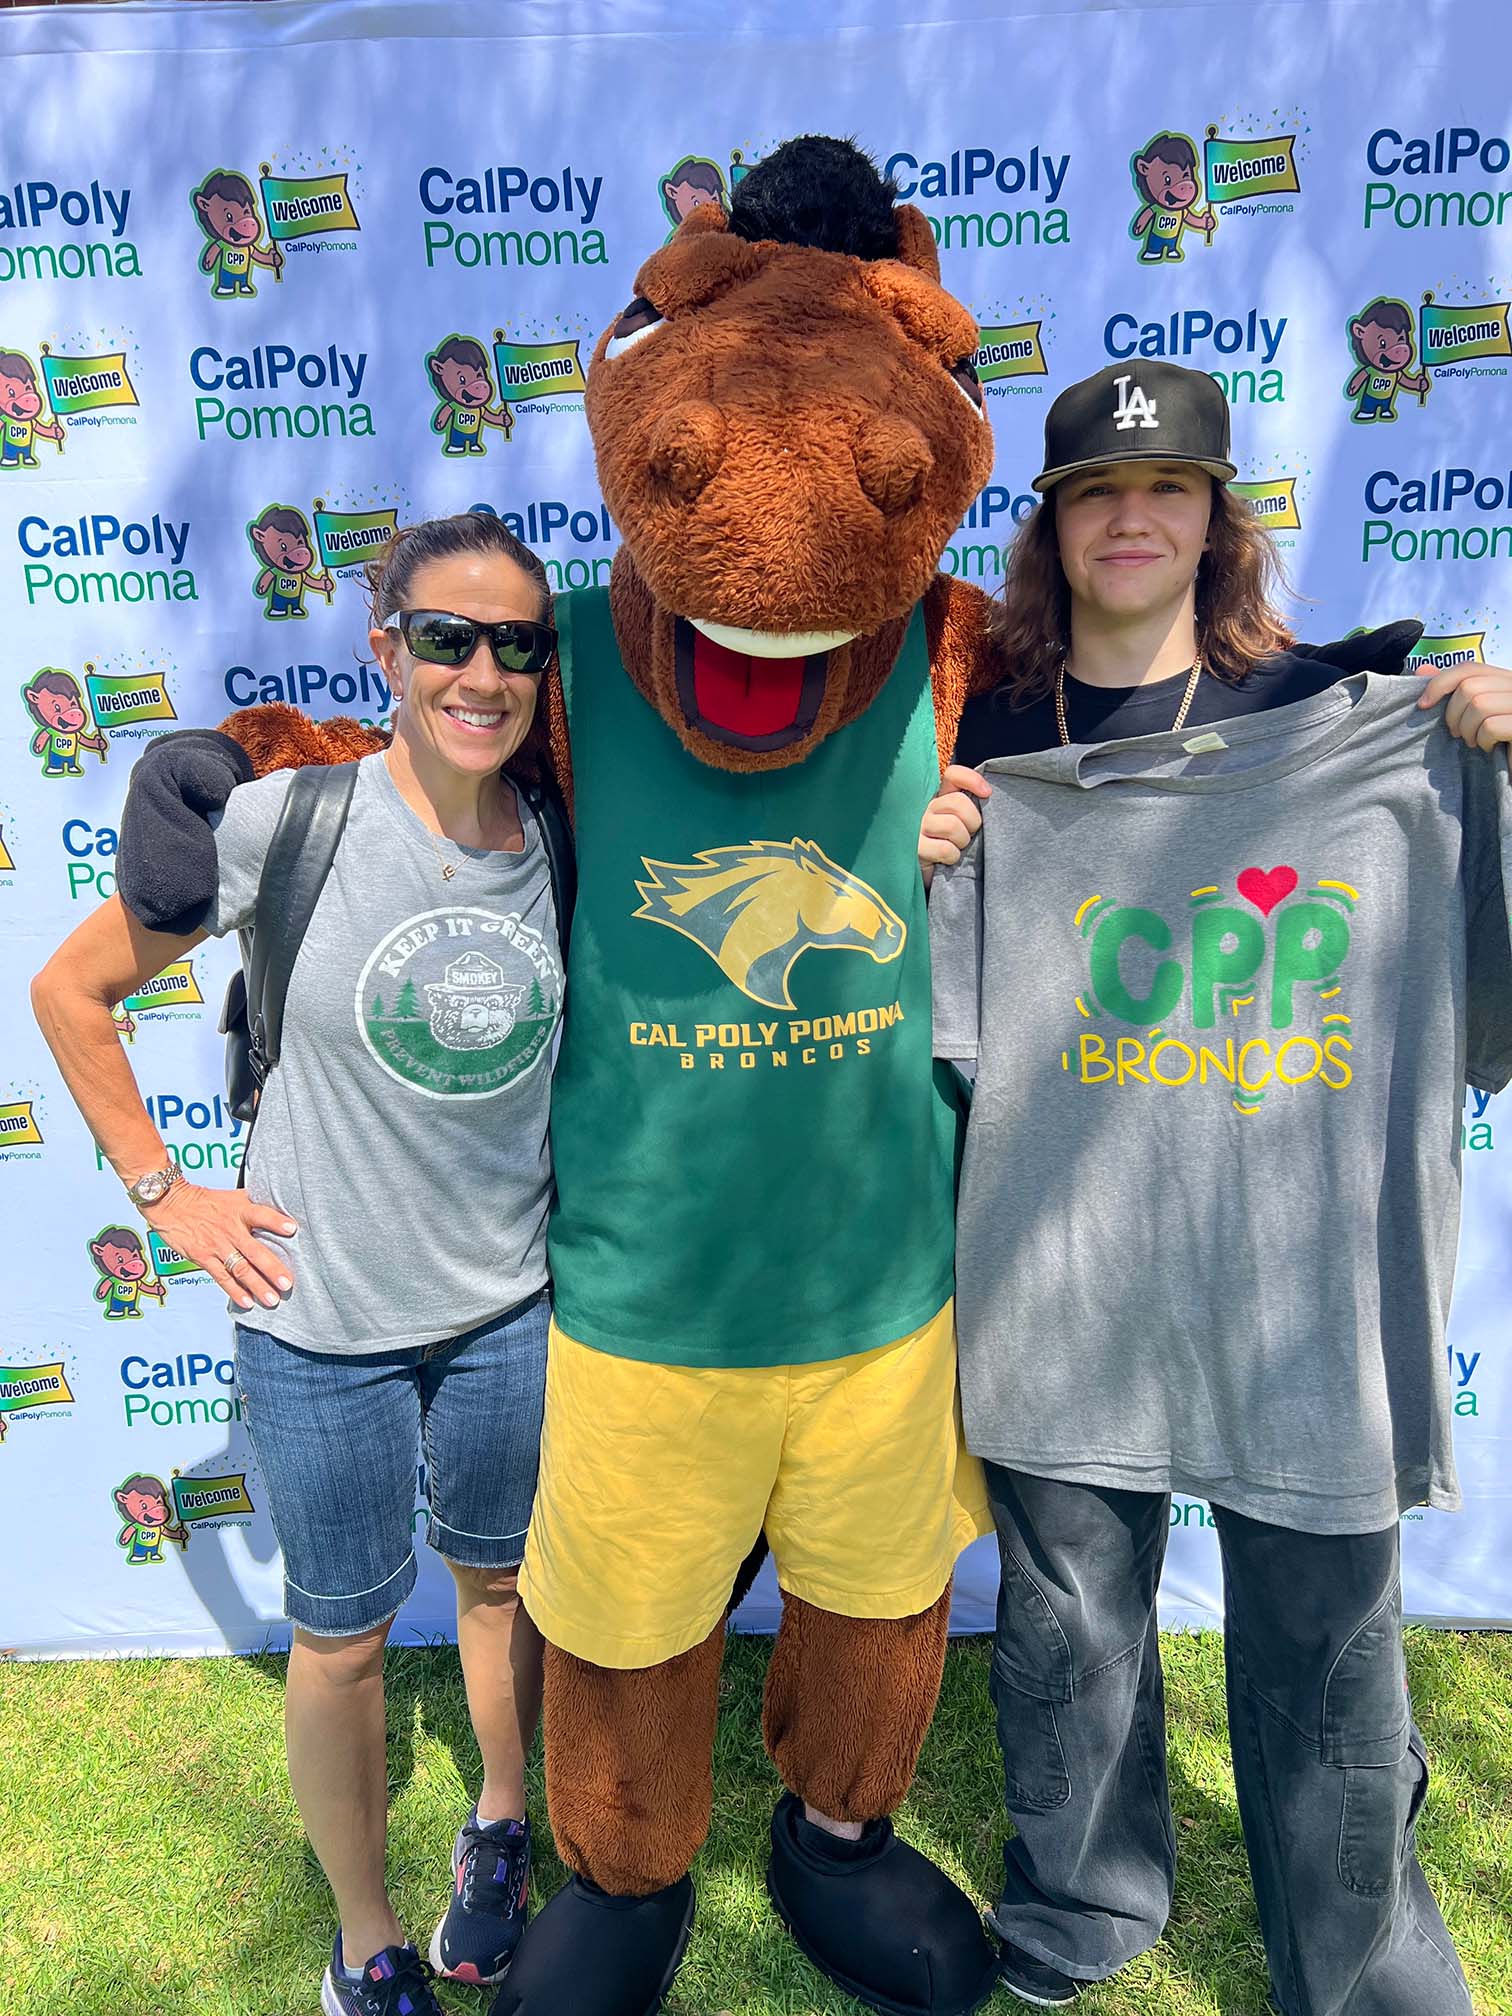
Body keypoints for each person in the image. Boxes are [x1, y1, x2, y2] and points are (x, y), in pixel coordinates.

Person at [920, 361, 1505, 2013]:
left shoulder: (1362, 727)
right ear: (1052, 523)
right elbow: (926, 1033)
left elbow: (1493, 1008)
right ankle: (1084, 1907)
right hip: (1065, 1274)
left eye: (1166, 488)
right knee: (1067, 1632)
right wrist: (936, 865)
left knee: (1333, 1660)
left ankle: (1364, 1959)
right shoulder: (985, 759)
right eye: (1099, 492)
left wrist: (1502, 771)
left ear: (1212, 516)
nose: (1131, 515)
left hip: (1308, 1298)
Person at [32, 512, 571, 2016]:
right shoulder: (292, 823)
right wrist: (166, 1194)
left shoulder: (556, 840)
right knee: (336, 1642)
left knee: (501, 1590)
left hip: (508, 1311)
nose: (482, 671)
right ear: (384, 647)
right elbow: (72, 993)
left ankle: (499, 1827)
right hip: (316, 1318)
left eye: (516, 644)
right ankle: (362, 1943)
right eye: (447, 637)